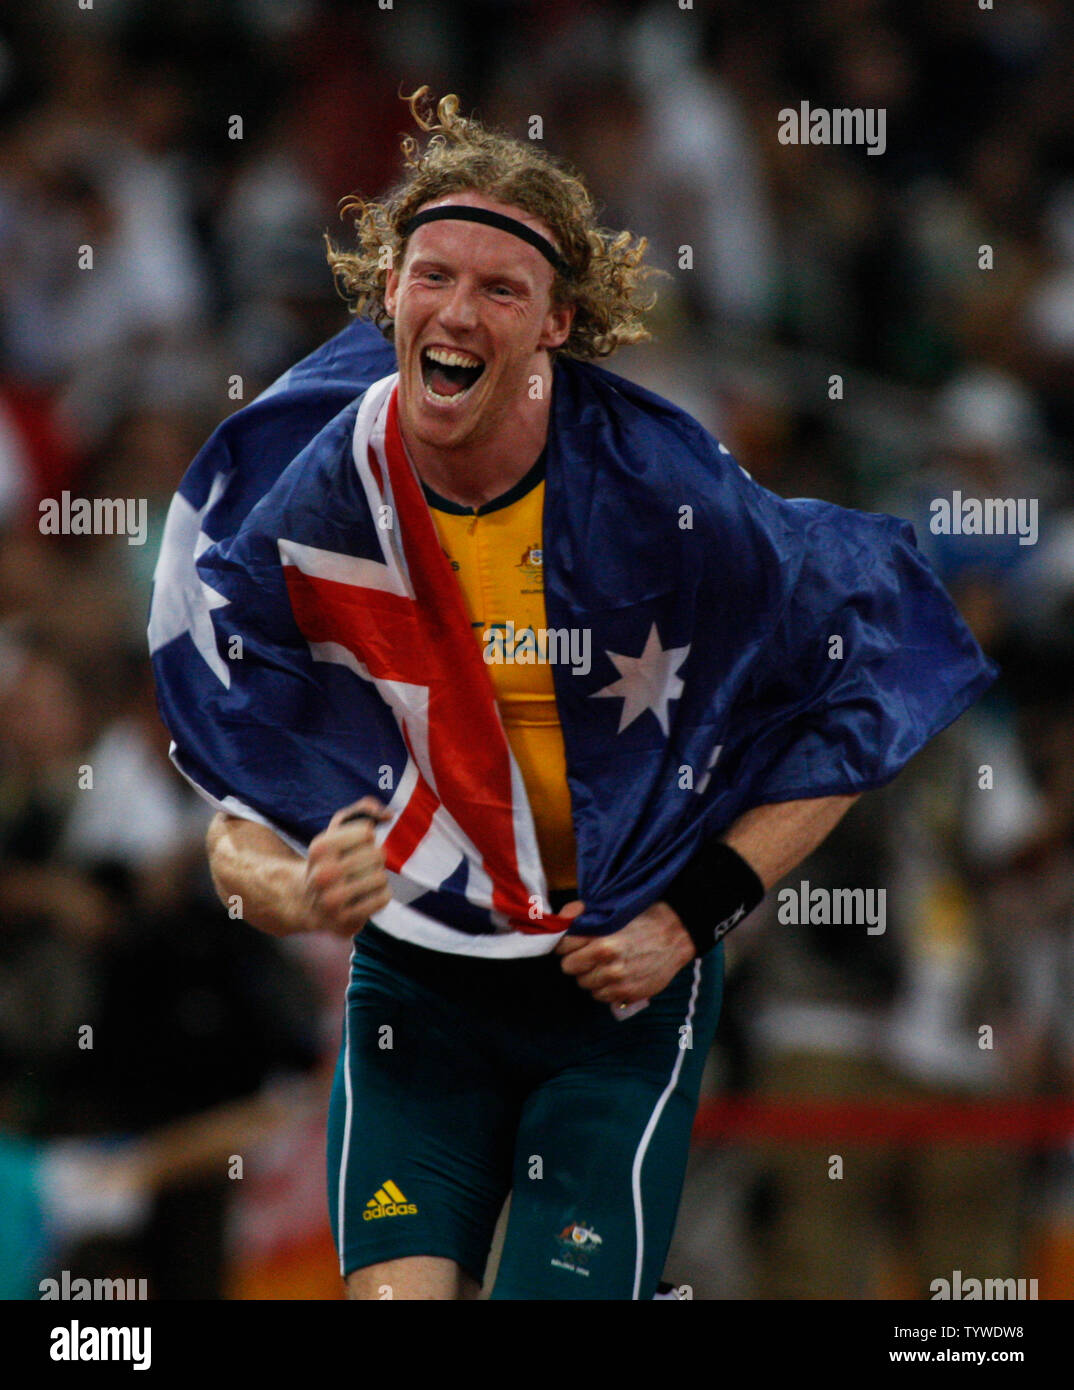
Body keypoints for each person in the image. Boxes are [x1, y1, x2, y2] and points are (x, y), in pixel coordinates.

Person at [149, 88, 997, 1300]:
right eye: (434, 274)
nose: (457, 308)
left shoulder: (668, 500)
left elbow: (868, 673)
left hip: (615, 993)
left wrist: (686, 918)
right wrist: (298, 890)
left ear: (559, 324)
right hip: (418, 989)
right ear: (387, 288)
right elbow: (236, 798)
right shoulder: (317, 490)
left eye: (502, 290)